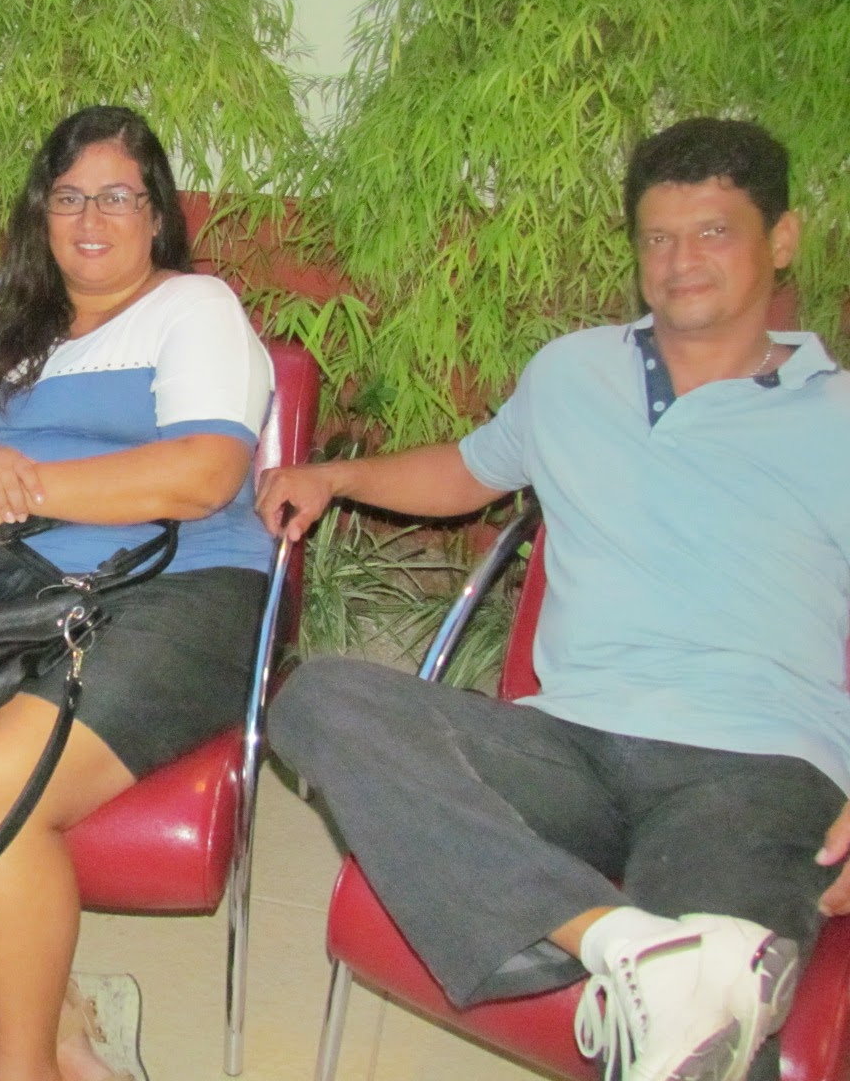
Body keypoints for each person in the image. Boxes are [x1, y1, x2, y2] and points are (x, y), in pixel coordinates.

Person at [256, 117, 850, 1081]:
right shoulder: (574, 371)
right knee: (320, 699)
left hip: (755, 766)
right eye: (658, 238)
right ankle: (618, 942)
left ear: (781, 240)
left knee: (697, 1043)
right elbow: (469, 471)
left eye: (713, 233)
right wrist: (336, 475)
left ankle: (627, 959)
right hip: (566, 741)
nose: (681, 262)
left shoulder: (838, 416)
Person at [0, 104, 275, 1081]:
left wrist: (14, 487)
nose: (90, 217)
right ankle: (70, 1032)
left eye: (117, 196)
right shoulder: (3, 306)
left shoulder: (195, 308)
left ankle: (22, 1064)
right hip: (10, 585)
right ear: (41, 211)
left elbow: (204, 474)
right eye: (68, 197)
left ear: (156, 213)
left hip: (178, 588)